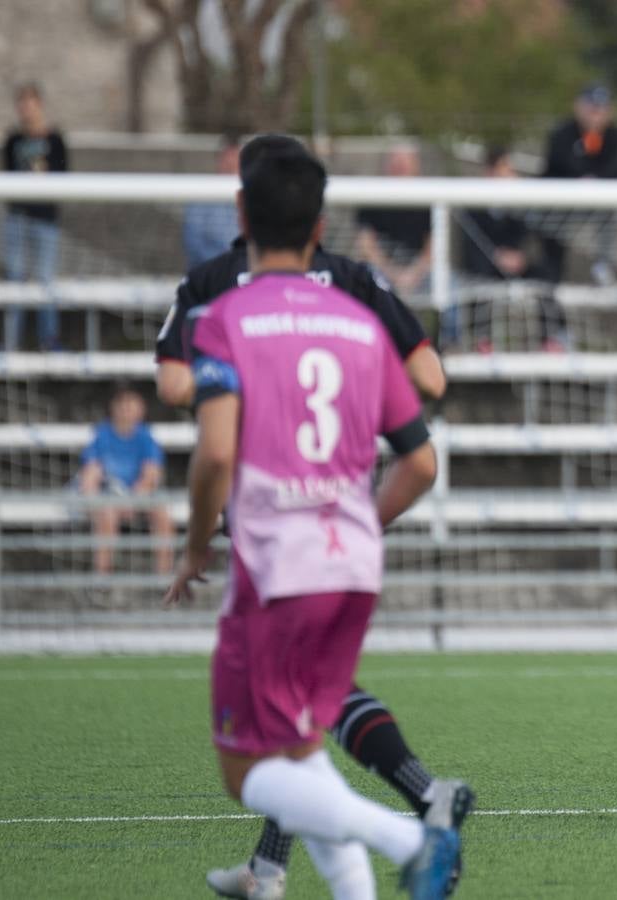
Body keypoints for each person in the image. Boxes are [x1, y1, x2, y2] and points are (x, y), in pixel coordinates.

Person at [153, 134, 466, 900]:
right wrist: (358, 516)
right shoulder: (359, 320)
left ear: (240, 212)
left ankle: (412, 836)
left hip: (275, 562)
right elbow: (421, 461)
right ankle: (289, 876)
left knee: (249, 769)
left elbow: (216, 453)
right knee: (301, 749)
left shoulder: (224, 313)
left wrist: (195, 546)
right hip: (352, 558)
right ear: (321, 224)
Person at [455, 146, 567, 352]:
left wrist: (522, 257)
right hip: (489, 266)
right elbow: (470, 247)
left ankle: (552, 337)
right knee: (477, 276)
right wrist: (496, 257)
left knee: (545, 273)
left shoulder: (522, 204)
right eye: (503, 169)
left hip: (518, 264)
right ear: (490, 172)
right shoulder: (473, 207)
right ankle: (482, 338)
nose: (509, 174)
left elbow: (536, 238)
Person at [75, 385, 174, 576]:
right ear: (112, 407)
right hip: (110, 495)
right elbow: (91, 473)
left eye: (132, 404)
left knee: (162, 514)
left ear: (141, 409)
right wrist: (93, 500)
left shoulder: (146, 437)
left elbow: (151, 475)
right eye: (122, 404)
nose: (126, 409)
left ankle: (164, 577)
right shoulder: (102, 435)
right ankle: (103, 578)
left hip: (138, 495)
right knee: (107, 514)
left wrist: (132, 500)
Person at [1, 82, 68, 351]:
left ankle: (49, 340)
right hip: (17, 218)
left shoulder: (55, 140)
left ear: (39, 104)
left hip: (45, 220)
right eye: (22, 104)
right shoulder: (13, 140)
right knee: (14, 277)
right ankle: (10, 342)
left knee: (45, 280)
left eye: (31, 103)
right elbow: (7, 178)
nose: (26, 109)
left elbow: (64, 176)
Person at [541, 83, 617, 286]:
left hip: (598, 205)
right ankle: (552, 275)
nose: (596, 113)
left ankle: (602, 266)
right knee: (546, 226)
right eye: (591, 106)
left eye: (601, 108)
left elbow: (615, 168)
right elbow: (558, 164)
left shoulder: (615, 136)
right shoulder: (561, 133)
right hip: (560, 205)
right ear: (579, 107)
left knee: (607, 216)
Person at [353, 143, 433, 294]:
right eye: (396, 159)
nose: (399, 164)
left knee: (450, 283)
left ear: (416, 164)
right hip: (381, 269)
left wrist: (413, 274)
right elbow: (366, 244)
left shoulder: (430, 200)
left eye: (405, 160)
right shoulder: (371, 196)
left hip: (419, 273)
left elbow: (432, 248)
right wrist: (393, 273)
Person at [182, 134, 242, 269]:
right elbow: (194, 243)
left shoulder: (252, 199)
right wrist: (226, 264)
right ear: (219, 160)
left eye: (236, 158)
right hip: (210, 272)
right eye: (227, 158)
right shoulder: (201, 198)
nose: (231, 164)